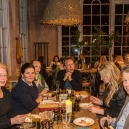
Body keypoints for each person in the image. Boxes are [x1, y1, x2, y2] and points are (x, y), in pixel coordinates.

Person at [100, 65, 129, 129]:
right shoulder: (128, 98)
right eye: (125, 80)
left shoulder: (120, 90)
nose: (127, 85)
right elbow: (123, 119)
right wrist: (112, 121)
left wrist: (100, 111)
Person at [0, 62, 25, 129]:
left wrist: (20, 116)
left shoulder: (4, 91)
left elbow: (10, 110)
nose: (3, 78)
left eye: (5, 75)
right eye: (0, 75)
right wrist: (12, 121)